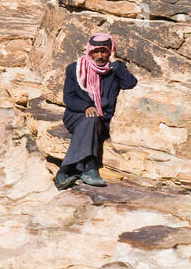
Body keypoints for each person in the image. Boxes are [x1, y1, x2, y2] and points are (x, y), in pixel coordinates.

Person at [55, 33, 138, 189]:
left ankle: (65, 171)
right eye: (96, 52)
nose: (99, 56)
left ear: (110, 52)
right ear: (90, 51)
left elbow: (130, 83)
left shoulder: (115, 68)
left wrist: (114, 62)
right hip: (76, 115)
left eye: (104, 51)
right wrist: (86, 107)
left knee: (93, 120)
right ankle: (90, 168)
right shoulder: (75, 69)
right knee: (91, 119)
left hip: (103, 119)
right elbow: (69, 98)